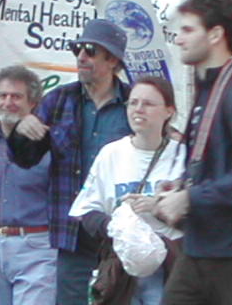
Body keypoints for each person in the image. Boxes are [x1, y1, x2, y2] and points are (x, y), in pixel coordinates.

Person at [155, 0, 232, 305]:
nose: (178, 39)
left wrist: (189, 198)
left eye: (188, 30)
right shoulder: (210, 90)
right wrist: (178, 191)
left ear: (216, 34)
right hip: (198, 250)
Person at [8, 19, 132, 305]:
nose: (80, 57)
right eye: (77, 49)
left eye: (90, 50)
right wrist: (22, 132)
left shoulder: (133, 102)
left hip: (121, 234)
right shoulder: (59, 99)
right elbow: (25, 159)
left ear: (112, 59)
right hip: (74, 234)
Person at [70, 76, 185, 305]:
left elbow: (205, 212)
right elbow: (86, 211)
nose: (138, 110)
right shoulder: (111, 154)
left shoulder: (184, 156)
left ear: (169, 111)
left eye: (148, 104)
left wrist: (158, 208)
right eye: (133, 103)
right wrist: (117, 226)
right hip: (122, 269)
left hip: (172, 268)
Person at [0, 65, 57, 305]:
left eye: (16, 96)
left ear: (33, 103)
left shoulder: (51, 145)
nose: (8, 102)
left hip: (36, 246)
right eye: (2, 96)